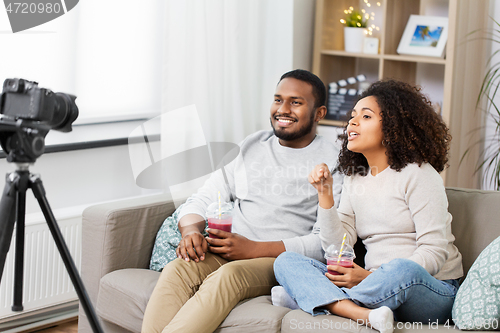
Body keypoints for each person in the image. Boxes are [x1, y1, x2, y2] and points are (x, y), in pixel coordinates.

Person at [142, 69, 343, 333]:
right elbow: (204, 195)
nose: (283, 109)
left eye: (296, 102)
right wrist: (191, 231)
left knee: (228, 277)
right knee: (178, 269)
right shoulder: (252, 145)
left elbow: (325, 243)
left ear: (319, 113)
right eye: (278, 99)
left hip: (278, 262)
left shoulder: (333, 161)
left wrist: (253, 249)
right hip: (228, 250)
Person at [273, 79, 464, 333]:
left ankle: (317, 299)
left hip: (431, 288)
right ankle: (360, 312)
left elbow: (434, 252)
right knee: (286, 262)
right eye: (353, 116)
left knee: (402, 267)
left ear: (394, 126)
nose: (352, 122)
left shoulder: (419, 174)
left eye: (365, 116)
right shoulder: (355, 177)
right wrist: (325, 195)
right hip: (376, 288)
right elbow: (336, 248)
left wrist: (369, 277)